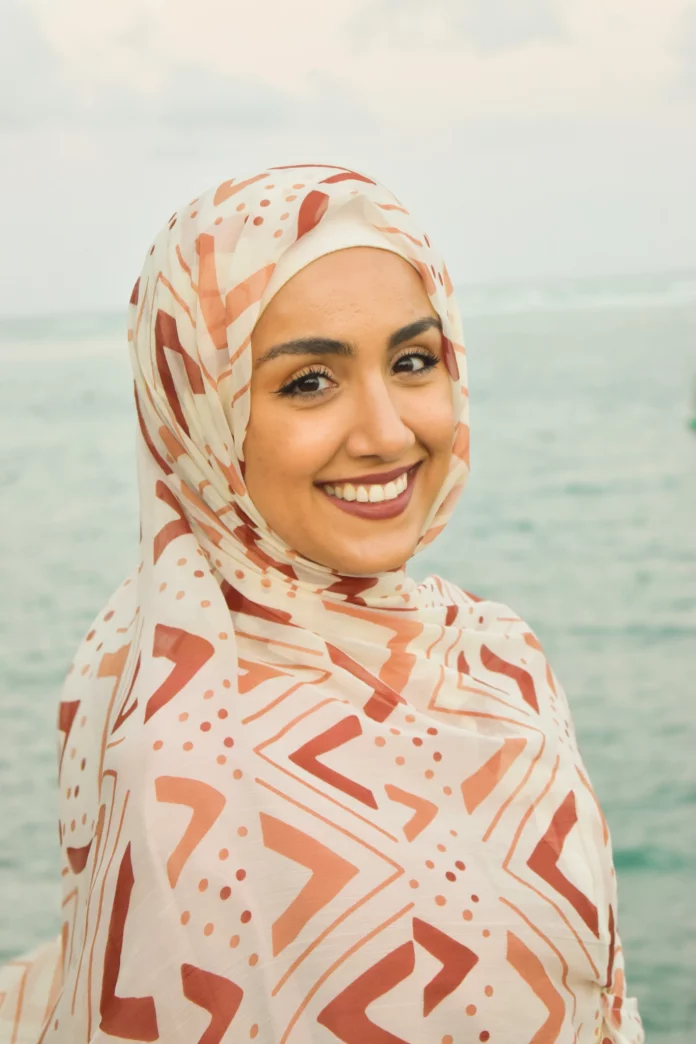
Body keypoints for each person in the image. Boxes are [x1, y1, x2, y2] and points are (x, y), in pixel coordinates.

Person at [0, 163, 643, 1043]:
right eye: (309, 382)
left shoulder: (497, 658)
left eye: (414, 362)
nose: (387, 432)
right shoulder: (182, 721)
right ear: (202, 414)